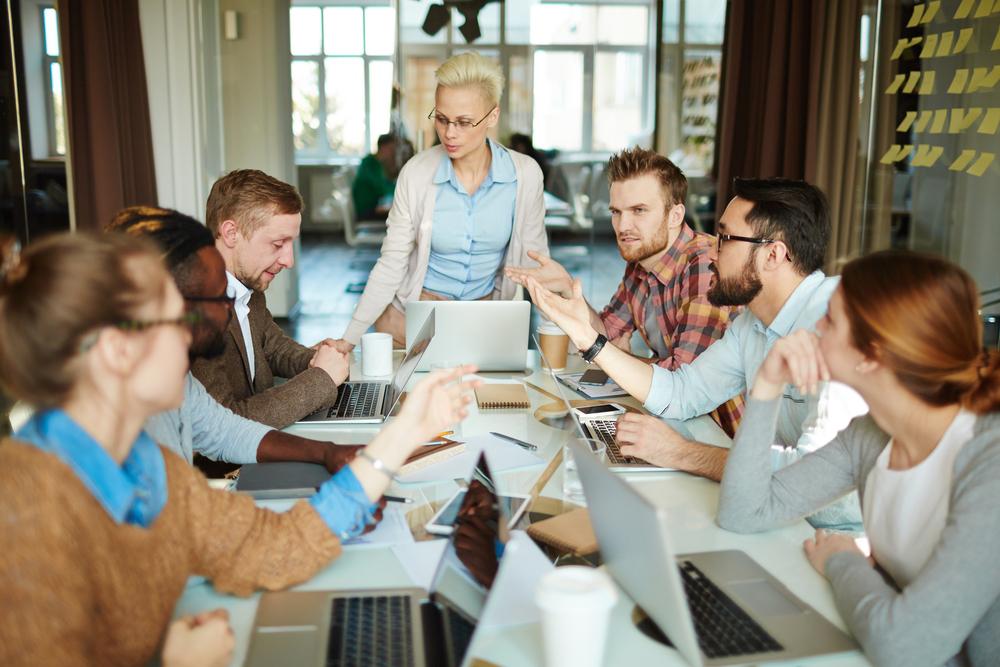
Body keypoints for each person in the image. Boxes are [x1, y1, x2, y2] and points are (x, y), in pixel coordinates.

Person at [0, 232, 477, 666]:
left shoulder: (152, 467)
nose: (193, 338)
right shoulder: (22, 511)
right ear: (116, 350)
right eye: (176, 319)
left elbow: (269, 546)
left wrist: (400, 439)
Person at [524, 178, 867, 529]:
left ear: (773, 254)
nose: (713, 252)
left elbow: (813, 482)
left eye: (726, 239)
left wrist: (681, 453)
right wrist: (588, 339)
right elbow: (681, 393)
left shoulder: (838, 326)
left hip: (838, 533)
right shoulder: (751, 325)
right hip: (778, 515)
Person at [716, 251, 1000, 666]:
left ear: (871, 355)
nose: (814, 328)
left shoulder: (988, 463)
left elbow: (904, 647)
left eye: (830, 319)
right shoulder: (871, 435)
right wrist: (768, 383)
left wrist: (843, 561)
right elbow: (742, 511)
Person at [506, 148, 743, 436]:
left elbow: (681, 384)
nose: (623, 226)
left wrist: (613, 355)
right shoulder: (640, 260)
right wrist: (568, 287)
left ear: (675, 215)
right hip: (671, 421)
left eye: (639, 211)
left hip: (716, 435)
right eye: (616, 212)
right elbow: (606, 334)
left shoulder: (704, 267)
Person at [107, 206, 361, 472]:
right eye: (220, 297)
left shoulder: (177, 376)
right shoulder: (114, 418)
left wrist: (328, 452)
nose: (231, 307)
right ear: (172, 303)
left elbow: (227, 431)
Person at [329, 52, 548, 349]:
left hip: (484, 324)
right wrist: (348, 340)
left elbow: (538, 266)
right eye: (442, 119)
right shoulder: (416, 174)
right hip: (410, 321)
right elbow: (391, 262)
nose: (449, 133)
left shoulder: (524, 175)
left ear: (492, 116)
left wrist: (572, 347)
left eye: (463, 122)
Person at [191, 169, 351, 428]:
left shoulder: (245, 286)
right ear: (231, 233)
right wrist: (321, 378)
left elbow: (273, 347)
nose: (289, 261)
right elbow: (224, 425)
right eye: (278, 245)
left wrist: (315, 359)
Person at [352, 133, 398, 222]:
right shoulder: (369, 163)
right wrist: (401, 191)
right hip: (366, 212)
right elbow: (381, 187)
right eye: (391, 149)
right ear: (383, 147)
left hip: (372, 207)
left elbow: (385, 183)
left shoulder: (376, 163)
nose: (393, 153)